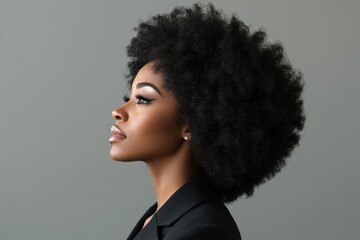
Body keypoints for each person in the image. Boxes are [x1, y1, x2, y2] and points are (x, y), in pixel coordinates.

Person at [109, 3, 305, 240]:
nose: (118, 111)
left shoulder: (203, 232)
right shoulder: (161, 216)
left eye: (143, 99)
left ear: (191, 123)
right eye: (127, 98)